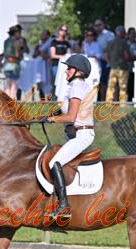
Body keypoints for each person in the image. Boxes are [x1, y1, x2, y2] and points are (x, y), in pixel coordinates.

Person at [45, 54, 96, 218]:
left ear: (78, 72)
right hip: (75, 134)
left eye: (69, 68)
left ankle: (64, 206)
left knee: (54, 162)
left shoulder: (77, 86)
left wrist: (52, 119)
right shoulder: (76, 86)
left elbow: (71, 117)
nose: (66, 71)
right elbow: (65, 110)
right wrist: (47, 115)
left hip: (82, 134)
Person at [104, 25, 131, 103]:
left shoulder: (110, 43)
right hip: (123, 68)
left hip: (113, 68)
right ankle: (122, 103)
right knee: (123, 87)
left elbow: (106, 56)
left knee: (111, 87)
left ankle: (108, 103)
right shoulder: (124, 43)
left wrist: (110, 63)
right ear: (122, 33)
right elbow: (126, 56)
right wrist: (132, 57)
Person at [94, 19, 115, 101]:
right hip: (97, 61)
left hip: (107, 61)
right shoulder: (94, 35)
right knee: (99, 82)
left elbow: (111, 47)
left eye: (100, 25)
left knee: (107, 82)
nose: (98, 27)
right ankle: (100, 100)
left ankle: (107, 101)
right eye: (96, 25)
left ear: (103, 25)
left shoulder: (109, 34)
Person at [3, 25, 23, 99]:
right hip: (14, 64)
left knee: (7, 84)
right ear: (15, 33)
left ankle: (6, 101)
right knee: (14, 85)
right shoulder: (16, 42)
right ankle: (11, 101)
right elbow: (17, 54)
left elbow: (5, 53)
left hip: (7, 64)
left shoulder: (6, 41)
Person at [50, 24, 72, 88]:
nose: (64, 32)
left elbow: (69, 53)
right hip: (56, 65)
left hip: (64, 66)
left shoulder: (67, 43)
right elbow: (53, 55)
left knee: (64, 84)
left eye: (65, 30)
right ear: (59, 31)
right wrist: (63, 56)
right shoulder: (54, 42)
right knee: (56, 84)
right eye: (62, 30)